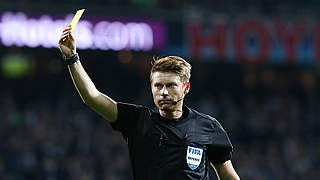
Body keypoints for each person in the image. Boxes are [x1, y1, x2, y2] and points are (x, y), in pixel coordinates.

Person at [58, 25, 240, 180]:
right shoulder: (137, 120)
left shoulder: (208, 127)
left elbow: (229, 177)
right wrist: (72, 58)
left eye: (171, 85)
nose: (163, 92)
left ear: (186, 87)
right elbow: (92, 97)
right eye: (158, 86)